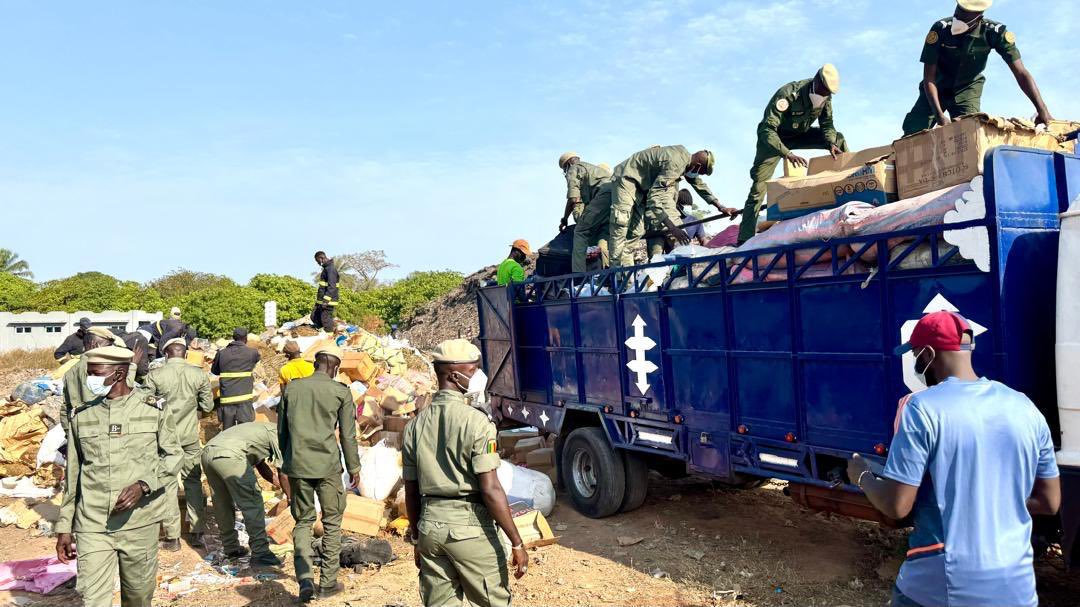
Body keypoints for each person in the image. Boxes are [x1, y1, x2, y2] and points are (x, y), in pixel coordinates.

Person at [847, 311, 1060, 607]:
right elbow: (1049, 502)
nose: (917, 363)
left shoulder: (923, 409)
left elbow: (896, 506)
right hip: (1017, 588)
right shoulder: (1025, 407)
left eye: (915, 355)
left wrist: (861, 475)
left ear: (928, 354)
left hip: (942, 588)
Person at [55, 346, 183, 607]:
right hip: (93, 524)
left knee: (137, 598)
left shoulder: (153, 409)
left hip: (139, 523)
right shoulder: (81, 416)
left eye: (96, 373)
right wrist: (64, 527)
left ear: (119, 373)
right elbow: (73, 477)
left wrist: (144, 485)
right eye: (89, 373)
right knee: (91, 598)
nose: (90, 379)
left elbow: (172, 456)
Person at [404, 339, 528, 607]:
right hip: (470, 528)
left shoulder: (414, 426)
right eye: (473, 371)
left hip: (430, 527)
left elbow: (411, 490)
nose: (478, 377)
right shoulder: (477, 422)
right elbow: (490, 488)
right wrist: (516, 542)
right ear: (453, 375)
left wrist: (417, 537)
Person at [278, 344, 361, 602]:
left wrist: (289, 458)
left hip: (298, 466)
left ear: (316, 363)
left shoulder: (292, 388)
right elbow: (348, 435)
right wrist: (354, 467)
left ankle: (304, 580)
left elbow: (282, 431)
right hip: (328, 467)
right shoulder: (340, 392)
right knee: (332, 523)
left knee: (303, 522)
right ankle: (327, 583)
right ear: (335, 367)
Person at [902, 0, 1052, 136]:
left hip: (968, 89)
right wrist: (940, 116)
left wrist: (1042, 109)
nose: (957, 19)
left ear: (978, 17)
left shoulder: (994, 33)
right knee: (913, 132)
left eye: (963, 17)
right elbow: (929, 77)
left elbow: (1021, 73)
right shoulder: (940, 30)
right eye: (957, 12)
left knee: (968, 135)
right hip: (936, 87)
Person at [737, 64, 846, 244]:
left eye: (829, 93)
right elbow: (767, 129)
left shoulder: (826, 98)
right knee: (758, 189)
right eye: (823, 90)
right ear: (816, 81)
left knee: (839, 139)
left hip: (800, 135)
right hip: (774, 139)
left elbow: (827, 124)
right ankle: (744, 240)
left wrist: (831, 143)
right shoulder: (788, 94)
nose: (825, 95)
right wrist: (787, 154)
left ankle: (853, 187)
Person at [608, 145, 737, 265]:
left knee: (636, 231)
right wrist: (672, 228)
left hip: (643, 188)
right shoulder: (675, 164)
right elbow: (655, 199)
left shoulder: (687, 163)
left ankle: (625, 275)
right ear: (697, 166)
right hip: (628, 179)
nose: (698, 175)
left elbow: (700, 185)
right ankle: (616, 273)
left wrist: (721, 207)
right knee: (621, 225)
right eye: (700, 172)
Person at [144, 337, 214, 550]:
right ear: (185, 354)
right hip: (189, 437)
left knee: (167, 484)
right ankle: (197, 532)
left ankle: (172, 537)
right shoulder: (198, 374)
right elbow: (207, 405)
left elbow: (145, 403)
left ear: (166, 354)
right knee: (192, 480)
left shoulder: (155, 376)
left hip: (164, 439)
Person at [201, 421, 290, 566]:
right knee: (252, 502)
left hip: (208, 453)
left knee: (222, 503)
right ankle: (261, 553)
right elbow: (284, 472)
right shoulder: (279, 434)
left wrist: (278, 485)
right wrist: (291, 497)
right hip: (230, 455)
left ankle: (231, 548)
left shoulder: (260, 430)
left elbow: (261, 466)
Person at [60, 327, 137, 433]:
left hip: (81, 430)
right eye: (108, 346)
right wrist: (132, 367)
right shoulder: (100, 369)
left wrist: (70, 434)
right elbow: (122, 394)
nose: (110, 350)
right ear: (94, 345)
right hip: (102, 430)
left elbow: (65, 408)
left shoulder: (70, 372)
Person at [210, 327, 261, 429]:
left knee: (228, 431)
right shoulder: (252, 353)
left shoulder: (222, 353)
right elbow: (256, 362)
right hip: (244, 399)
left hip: (227, 399)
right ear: (245, 338)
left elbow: (214, 371)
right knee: (245, 430)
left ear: (233, 338)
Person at [557, 152, 613, 231]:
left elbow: (573, 198)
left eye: (565, 169)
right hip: (616, 197)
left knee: (581, 229)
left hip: (603, 198)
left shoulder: (573, 169)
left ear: (569, 164)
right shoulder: (594, 168)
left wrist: (565, 219)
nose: (566, 172)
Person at [312, 251, 339, 332]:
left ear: (321, 258)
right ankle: (322, 332)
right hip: (321, 301)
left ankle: (330, 336)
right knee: (314, 316)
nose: (317, 263)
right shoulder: (326, 269)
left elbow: (332, 287)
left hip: (328, 301)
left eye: (317, 261)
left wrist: (326, 301)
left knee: (325, 320)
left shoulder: (331, 269)